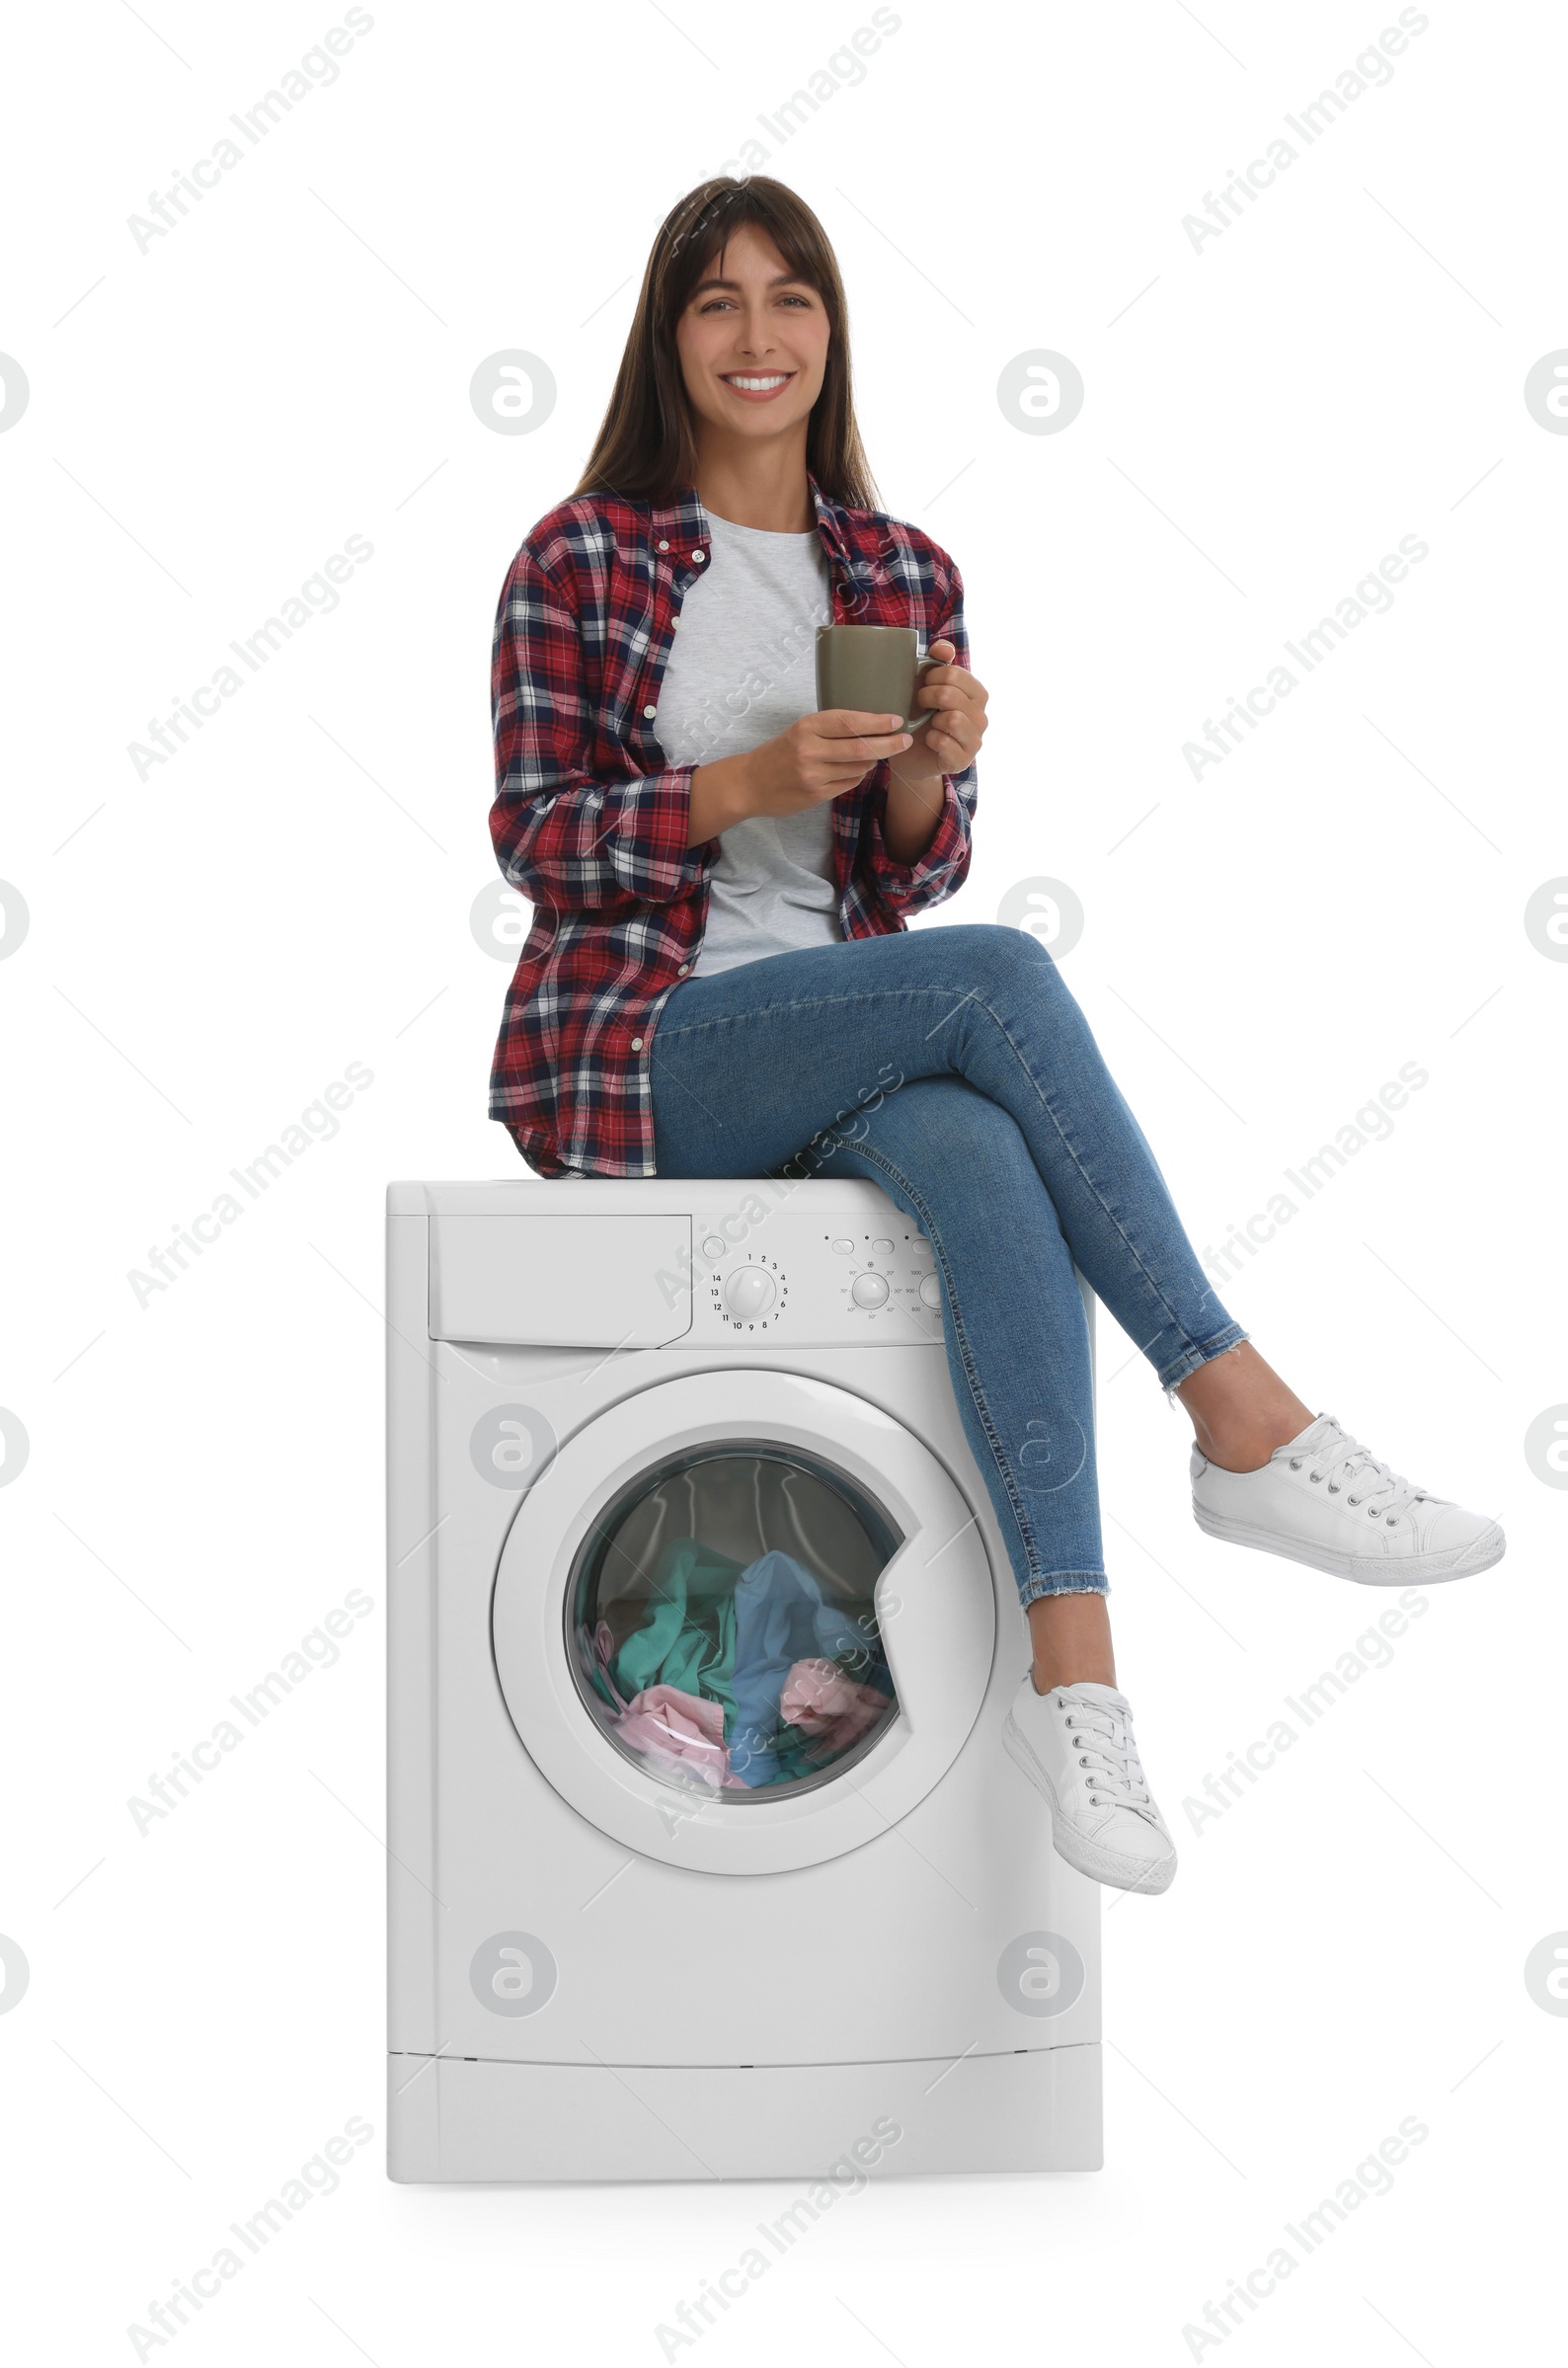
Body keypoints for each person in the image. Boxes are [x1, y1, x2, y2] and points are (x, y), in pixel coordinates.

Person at [486, 176, 1504, 1898]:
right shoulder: (581, 552)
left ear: (831, 333)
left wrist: (926, 764)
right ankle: (1243, 1413)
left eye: (791, 299)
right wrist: (739, 788)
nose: (759, 337)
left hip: (840, 1052)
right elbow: (537, 837)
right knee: (1002, 978)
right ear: (669, 340)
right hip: (650, 1051)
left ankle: (1078, 1690)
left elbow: (912, 870)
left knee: (977, 1148)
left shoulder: (898, 564)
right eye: (717, 303)